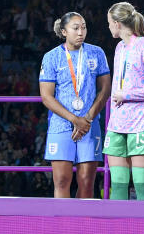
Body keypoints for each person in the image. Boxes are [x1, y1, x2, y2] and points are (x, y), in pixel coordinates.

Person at [39, 12, 111, 198]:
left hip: (89, 125)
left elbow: (105, 90)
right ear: (64, 31)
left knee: (87, 181)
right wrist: (74, 119)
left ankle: (82, 226)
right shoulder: (51, 57)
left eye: (84, 27)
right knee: (62, 181)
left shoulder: (97, 53)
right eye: (76, 28)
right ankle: (61, 226)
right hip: (61, 125)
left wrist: (85, 119)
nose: (81, 32)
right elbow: (46, 97)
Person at [104, 2, 144, 201]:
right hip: (118, 123)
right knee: (118, 184)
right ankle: (114, 232)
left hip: (143, 122)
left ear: (117, 23)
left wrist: (127, 95)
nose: (109, 27)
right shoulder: (120, 47)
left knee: (141, 185)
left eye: (109, 23)